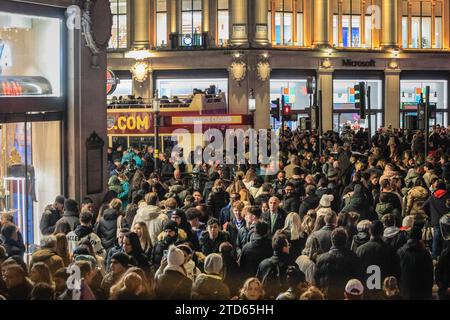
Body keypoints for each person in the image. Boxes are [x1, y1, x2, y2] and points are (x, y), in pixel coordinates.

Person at [314, 228, 363, 300]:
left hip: (327, 296)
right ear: (346, 241)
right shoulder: (353, 258)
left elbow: (317, 281)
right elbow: (357, 280)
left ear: (332, 241)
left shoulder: (321, 259)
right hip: (345, 296)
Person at [355, 220, 400, 299]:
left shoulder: (360, 250)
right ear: (382, 232)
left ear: (369, 231)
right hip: (384, 292)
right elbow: (395, 272)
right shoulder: (390, 250)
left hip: (366, 292)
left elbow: (357, 272)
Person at [397, 226, 434, 300]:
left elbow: (396, 271)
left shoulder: (400, 252)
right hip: (422, 291)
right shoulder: (425, 253)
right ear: (420, 237)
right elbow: (430, 273)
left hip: (404, 290)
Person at [256, 232, 296, 300]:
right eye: (288, 245)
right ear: (284, 248)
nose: (289, 247)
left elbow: (257, 282)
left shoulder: (263, 263)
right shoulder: (292, 265)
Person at [423, 182, 450, 259]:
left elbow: (424, 206)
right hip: (446, 220)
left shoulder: (432, 197)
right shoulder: (447, 196)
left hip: (435, 220)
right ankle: (446, 256)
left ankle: (434, 256)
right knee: (447, 238)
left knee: (436, 238)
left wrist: (430, 214)